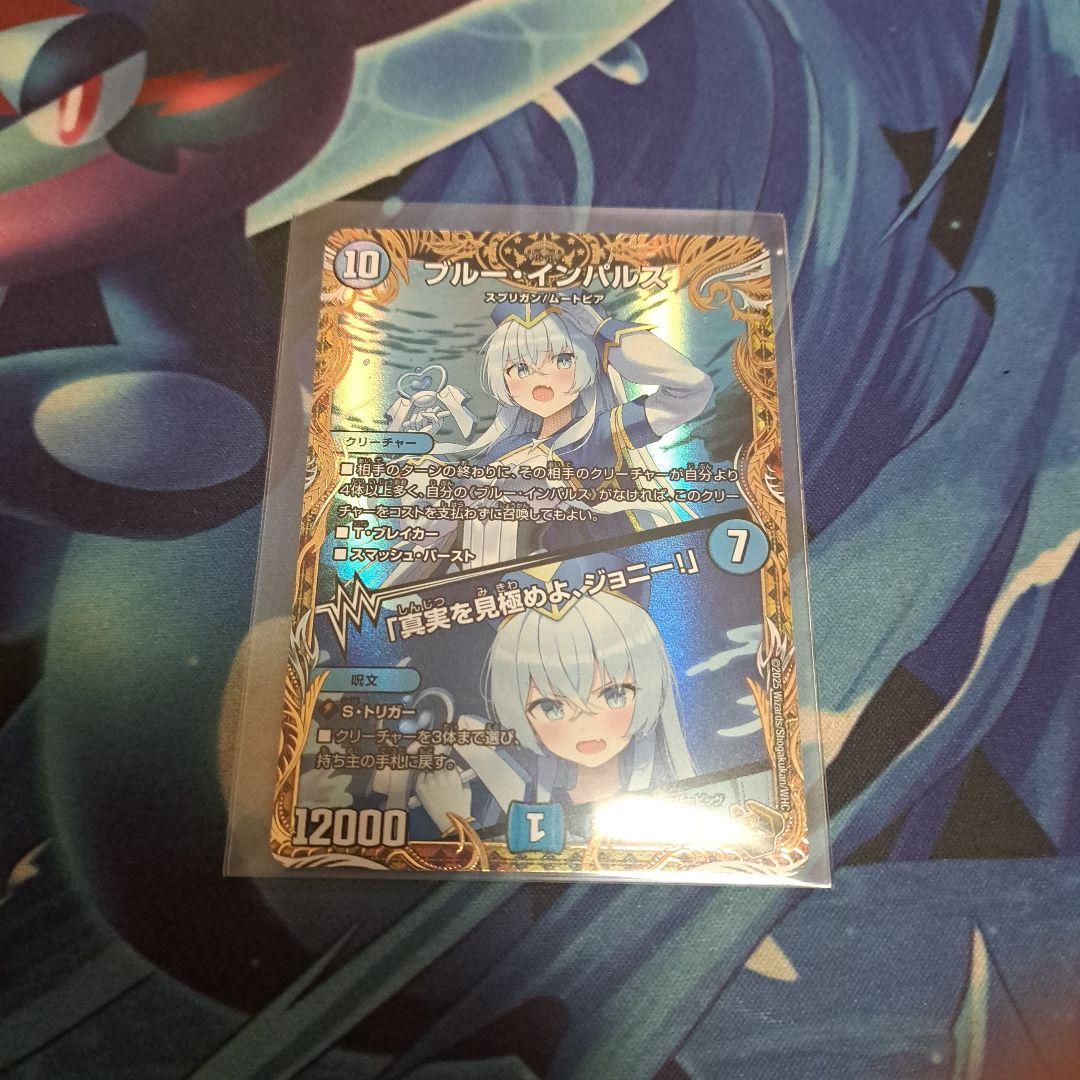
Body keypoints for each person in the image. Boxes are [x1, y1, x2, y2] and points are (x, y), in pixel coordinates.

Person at [385, 297, 714, 581]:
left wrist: (605, 331)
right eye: (520, 368)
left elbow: (691, 389)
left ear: (586, 362)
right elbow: (432, 524)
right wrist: (415, 449)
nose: (540, 378)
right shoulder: (504, 449)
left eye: (562, 359)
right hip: (493, 594)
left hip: (577, 589)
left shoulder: (598, 434)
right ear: (503, 378)